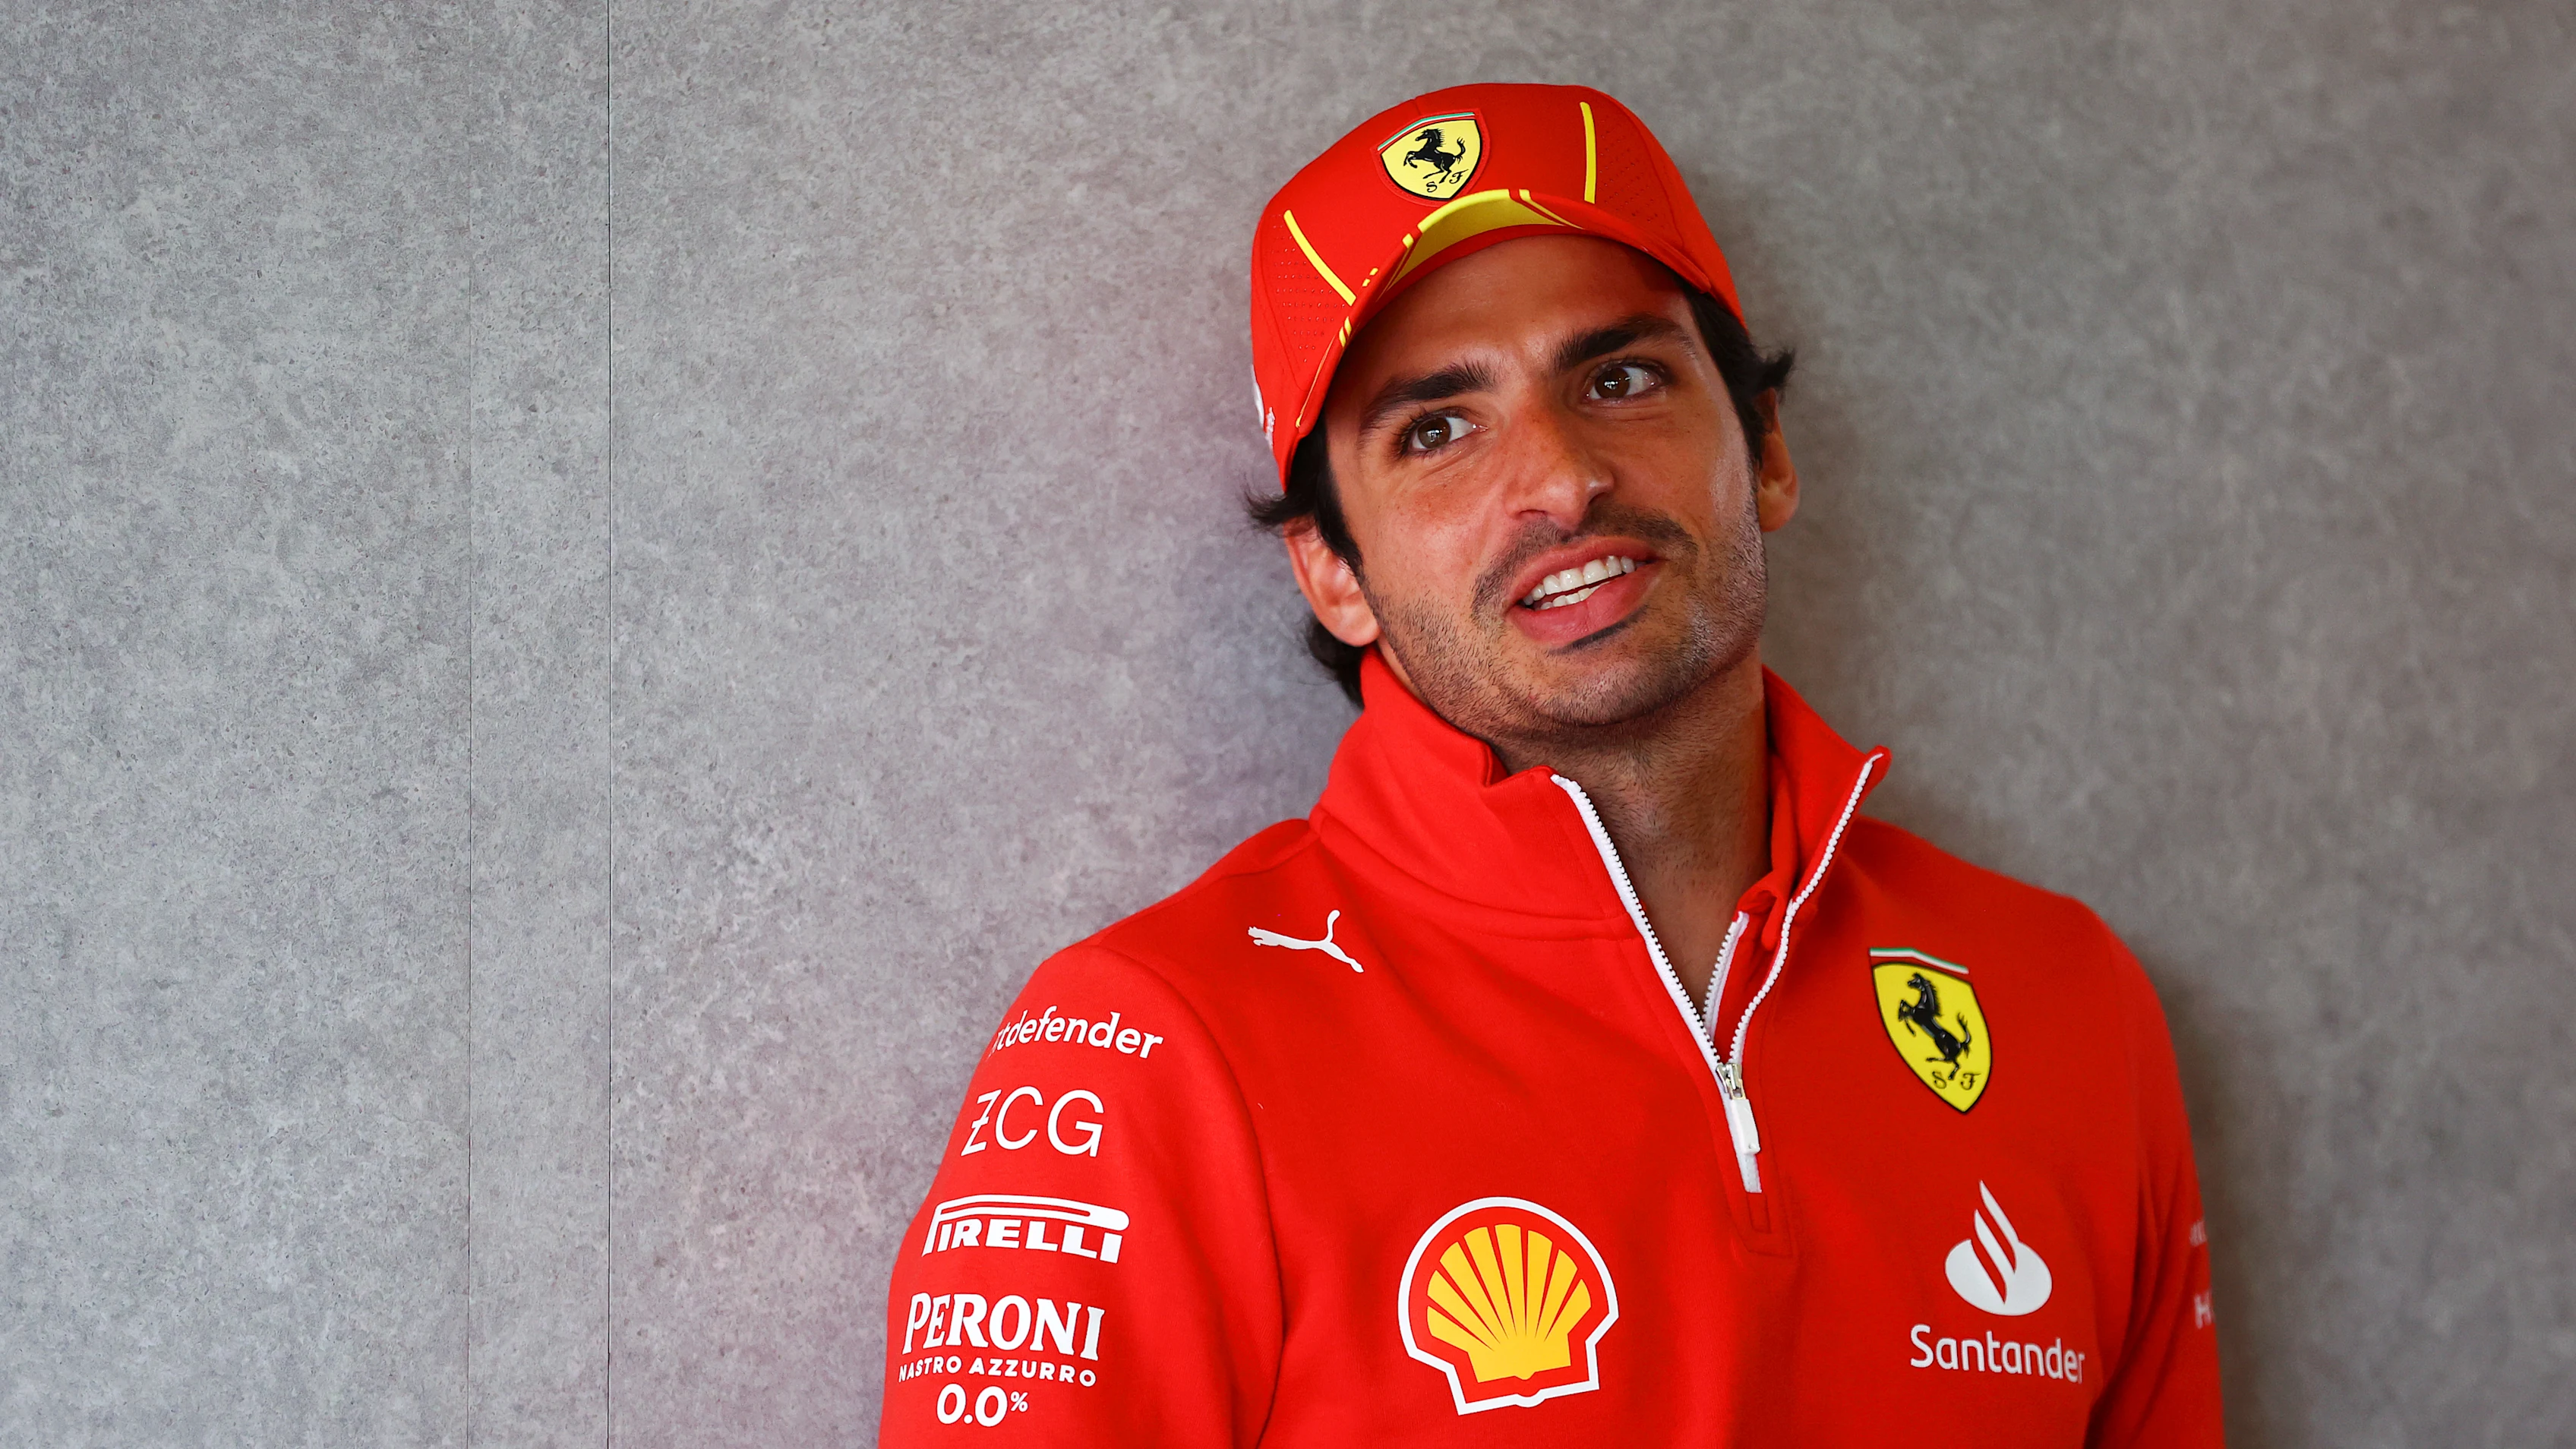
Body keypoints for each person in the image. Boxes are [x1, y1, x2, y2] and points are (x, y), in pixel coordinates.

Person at [879, 82, 2223, 1445]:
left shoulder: (2072, 1005)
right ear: (1335, 571)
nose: (1562, 477)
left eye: (1620, 378)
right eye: (1438, 429)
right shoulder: (1148, 1052)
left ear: (1762, 450)